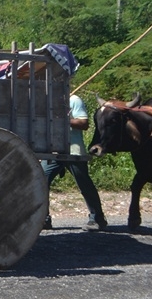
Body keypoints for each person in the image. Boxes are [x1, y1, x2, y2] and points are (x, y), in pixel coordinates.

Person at [42, 94, 108, 231]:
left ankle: (97, 218)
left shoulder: (74, 100)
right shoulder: (47, 100)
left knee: (84, 183)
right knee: (41, 181)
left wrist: (63, 120)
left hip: (73, 149)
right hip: (53, 150)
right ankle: (43, 218)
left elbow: (84, 123)